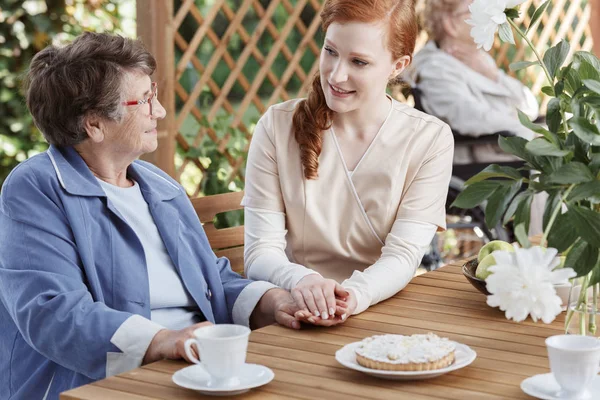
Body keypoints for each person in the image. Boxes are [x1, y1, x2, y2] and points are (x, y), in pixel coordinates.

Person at [0, 32, 301, 400]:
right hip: (98, 385)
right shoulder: (36, 188)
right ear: (93, 123)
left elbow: (209, 280)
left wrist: (274, 301)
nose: (158, 111)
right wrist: (162, 342)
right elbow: (52, 311)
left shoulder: (157, 184)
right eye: (143, 100)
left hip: (198, 367)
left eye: (153, 94)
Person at [242, 0, 454, 326]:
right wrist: (302, 282)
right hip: (293, 308)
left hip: (380, 310)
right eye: (330, 51)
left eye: (359, 61)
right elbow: (260, 251)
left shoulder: (429, 140)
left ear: (398, 65)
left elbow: (403, 256)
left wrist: (351, 297)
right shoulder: (277, 126)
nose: (337, 75)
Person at [406, 0, 539, 164]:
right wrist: (526, 130)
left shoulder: (481, 61)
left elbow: (530, 107)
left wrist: (492, 75)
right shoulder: (435, 69)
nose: (488, 16)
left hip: (508, 149)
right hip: (479, 161)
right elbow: (469, 117)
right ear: (450, 24)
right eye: (475, 11)